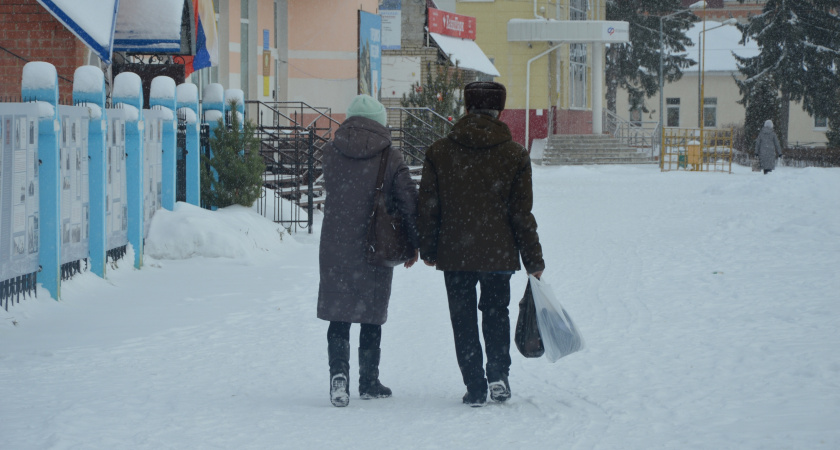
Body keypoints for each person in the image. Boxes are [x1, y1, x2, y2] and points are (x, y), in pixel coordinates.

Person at [417, 81, 545, 407]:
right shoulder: (515, 154)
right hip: (498, 252)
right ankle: (498, 375)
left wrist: (428, 249)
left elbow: (429, 206)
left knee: (462, 319)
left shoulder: (439, 152)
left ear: (466, 108)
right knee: (496, 313)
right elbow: (521, 214)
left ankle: (475, 385)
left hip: (455, 251)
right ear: (500, 110)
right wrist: (533, 260)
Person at [317, 94, 420, 407]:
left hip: (336, 244)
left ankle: (339, 376)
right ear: (380, 123)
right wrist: (415, 244)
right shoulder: (391, 156)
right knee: (370, 314)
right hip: (375, 243)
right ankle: (369, 380)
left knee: (339, 313)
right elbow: (409, 202)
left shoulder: (330, 152)